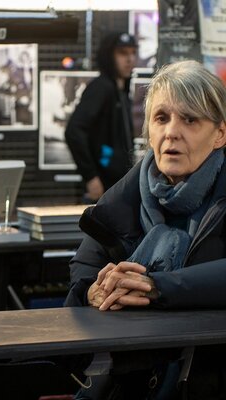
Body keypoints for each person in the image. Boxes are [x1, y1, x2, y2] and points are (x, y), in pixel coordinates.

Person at [65, 60, 226, 399]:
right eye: (161, 118)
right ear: (148, 131)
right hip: (129, 382)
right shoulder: (126, 195)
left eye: (190, 119)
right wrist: (94, 291)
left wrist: (157, 287)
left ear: (220, 134)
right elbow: (84, 269)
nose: (172, 132)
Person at [65, 32, 138, 202]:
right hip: (102, 188)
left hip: (118, 186)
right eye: (123, 53)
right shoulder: (101, 88)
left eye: (132, 52)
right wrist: (91, 177)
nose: (130, 59)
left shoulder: (121, 91)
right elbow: (74, 131)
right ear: (109, 56)